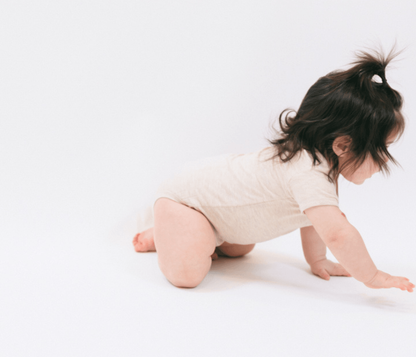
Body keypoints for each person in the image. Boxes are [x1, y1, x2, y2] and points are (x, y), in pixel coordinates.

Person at [133, 47, 415, 292]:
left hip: (221, 216)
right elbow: (337, 234)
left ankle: (198, 235)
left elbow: (314, 221)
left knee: (240, 248)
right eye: (383, 148)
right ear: (342, 145)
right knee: (187, 274)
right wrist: (372, 276)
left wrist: (318, 260)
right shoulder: (308, 172)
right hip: (185, 201)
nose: (385, 160)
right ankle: (163, 231)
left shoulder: (321, 167)